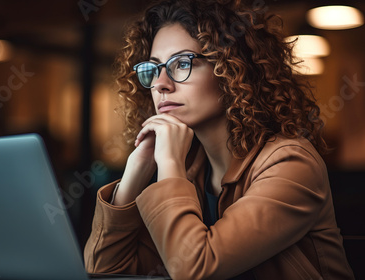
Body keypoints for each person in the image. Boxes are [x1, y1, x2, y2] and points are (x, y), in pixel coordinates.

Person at [83, 0, 355, 279]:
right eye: (153, 68)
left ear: (232, 70)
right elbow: (105, 270)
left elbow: (194, 268)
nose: (161, 84)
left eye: (182, 63)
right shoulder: (189, 173)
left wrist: (168, 162)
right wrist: (135, 171)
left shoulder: (291, 163)